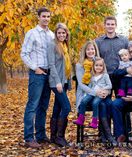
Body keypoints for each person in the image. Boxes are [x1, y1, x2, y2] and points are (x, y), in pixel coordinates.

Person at [20, 7, 54, 148]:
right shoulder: (32, 34)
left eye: (48, 16)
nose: (46, 18)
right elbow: (24, 54)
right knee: (32, 105)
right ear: (38, 17)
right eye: (43, 16)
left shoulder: (52, 35)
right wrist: (36, 68)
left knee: (43, 106)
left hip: (49, 74)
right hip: (37, 74)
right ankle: (29, 138)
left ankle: (40, 135)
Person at [74, 41, 117, 145]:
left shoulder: (98, 62)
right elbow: (82, 85)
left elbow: (105, 79)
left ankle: (104, 135)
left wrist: (105, 91)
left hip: (100, 93)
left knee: (108, 104)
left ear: (95, 50)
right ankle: (107, 136)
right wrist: (96, 92)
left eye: (92, 49)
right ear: (85, 51)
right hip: (86, 94)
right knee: (101, 104)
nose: (90, 51)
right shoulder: (80, 65)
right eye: (88, 49)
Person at [47, 23, 72, 147]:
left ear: (66, 33)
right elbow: (51, 65)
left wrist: (68, 82)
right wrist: (57, 82)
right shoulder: (52, 45)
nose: (61, 35)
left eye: (64, 33)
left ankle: (53, 137)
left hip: (65, 81)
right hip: (57, 82)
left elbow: (67, 65)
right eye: (59, 33)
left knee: (57, 107)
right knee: (66, 107)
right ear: (56, 34)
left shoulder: (65, 45)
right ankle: (60, 136)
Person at [73, 57, 112, 129]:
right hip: (93, 93)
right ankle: (81, 119)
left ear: (103, 67)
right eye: (96, 65)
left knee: (95, 103)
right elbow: (90, 86)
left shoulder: (105, 75)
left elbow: (109, 85)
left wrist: (103, 89)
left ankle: (94, 121)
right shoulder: (92, 76)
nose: (98, 67)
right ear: (93, 66)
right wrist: (87, 93)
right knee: (84, 101)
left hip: (100, 94)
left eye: (100, 66)